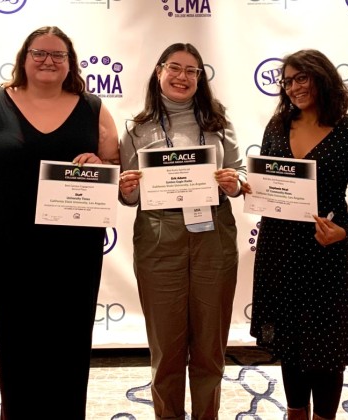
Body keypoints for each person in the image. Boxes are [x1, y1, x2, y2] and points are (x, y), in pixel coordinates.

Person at [0, 26, 119, 419]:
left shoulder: (92, 107)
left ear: (70, 64)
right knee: (17, 353)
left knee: (69, 352)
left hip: (75, 255)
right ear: (24, 58)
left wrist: (100, 165)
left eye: (58, 55)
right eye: (40, 53)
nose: (48, 61)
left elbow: (115, 166)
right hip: (9, 253)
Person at [246, 49, 348, 420]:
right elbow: (268, 183)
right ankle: (295, 413)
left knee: (325, 348)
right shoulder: (276, 126)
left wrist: (345, 230)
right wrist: (251, 189)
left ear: (322, 78)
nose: (293, 87)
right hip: (279, 248)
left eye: (301, 78)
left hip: (327, 253)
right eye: (287, 81)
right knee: (289, 342)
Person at [118, 42, 246, 420]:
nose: (183, 77)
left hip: (214, 230)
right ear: (158, 72)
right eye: (175, 67)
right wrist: (127, 191)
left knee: (209, 347)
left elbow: (239, 174)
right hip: (159, 233)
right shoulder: (136, 129)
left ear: (200, 79)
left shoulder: (219, 122)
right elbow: (129, 192)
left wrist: (233, 183)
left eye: (192, 71)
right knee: (167, 349)